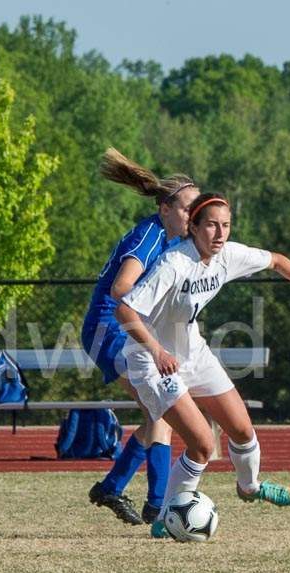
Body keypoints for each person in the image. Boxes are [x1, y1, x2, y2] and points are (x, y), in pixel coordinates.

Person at [115, 192, 290, 537]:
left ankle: (249, 487)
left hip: (193, 352)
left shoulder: (227, 255)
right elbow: (125, 309)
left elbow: (278, 261)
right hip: (152, 361)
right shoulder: (174, 263)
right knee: (204, 444)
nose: (220, 233)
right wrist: (158, 350)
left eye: (226, 225)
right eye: (210, 225)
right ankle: (165, 517)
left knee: (242, 430)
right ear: (192, 226)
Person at [81, 148, 199, 526]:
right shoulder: (150, 236)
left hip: (123, 331)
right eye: (186, 209)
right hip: (109, 329)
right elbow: (121, 289)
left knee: (157, 410)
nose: (191, 216)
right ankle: (156, 503)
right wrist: (152, 338)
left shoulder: (170, 239)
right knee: (160, 408)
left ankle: (120, 490)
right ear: (165, 208)